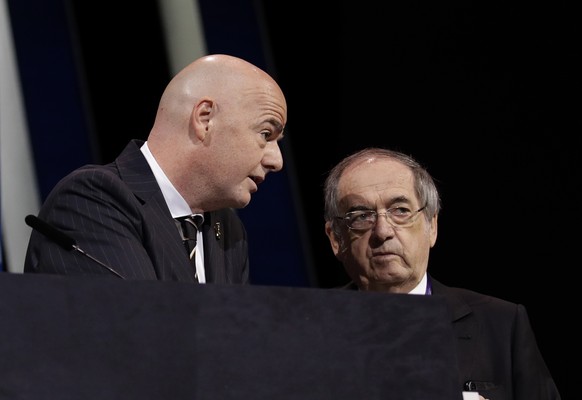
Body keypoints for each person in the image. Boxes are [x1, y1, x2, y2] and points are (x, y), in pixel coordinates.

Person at [24, 54, 287, 283]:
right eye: (266, 134)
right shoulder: (93, 200)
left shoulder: (229, 230)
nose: (277, 161)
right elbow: (137, 327)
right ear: (205, 118)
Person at [322, 147, 561, 400]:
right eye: (361, 216)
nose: (383, 231)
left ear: (431, 226)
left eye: (401, 211)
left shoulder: (502, 324)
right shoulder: (309, 329)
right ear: (336, 239)